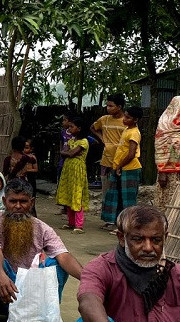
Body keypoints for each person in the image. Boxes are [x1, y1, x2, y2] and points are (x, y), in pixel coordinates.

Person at [0, 179, 83, 322]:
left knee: (57, 264)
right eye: (13, 201)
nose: (18, 206)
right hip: (2, 290)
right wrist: (0, 274)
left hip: (31, 291)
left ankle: (44, 311)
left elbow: (63, 255)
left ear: (31, 202)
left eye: (23, 201)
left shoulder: (42, 228)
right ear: (5, 201)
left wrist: (88, 279)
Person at [100, 106, 143, 230]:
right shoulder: (127, 130)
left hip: (130, 169)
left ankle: (128, 226)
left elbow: (131, 154)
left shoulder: (134, 133)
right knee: (117, 196)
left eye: (128, 117)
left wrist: (119, 165)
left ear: (135, 120)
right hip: (122, 168)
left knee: (128, 200)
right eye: (125, 116)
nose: (124, 119)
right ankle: (118, 223)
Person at [91, 94, 127, 229]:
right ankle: (109, 219)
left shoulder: (126, 121)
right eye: (107, 105)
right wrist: (103, 139)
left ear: (120, 107)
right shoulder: (104, 120)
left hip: (121, 161)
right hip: (106, 160)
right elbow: (93, 128)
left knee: (119, 191)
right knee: (107, 191)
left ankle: (119, 220)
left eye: (111, 106)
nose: (108, 108)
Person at [56, 117, 90, 234]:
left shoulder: (84, 142)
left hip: (77, 171)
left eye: (72, 126)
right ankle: (71, 222)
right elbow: (65, 152)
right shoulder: (71, 141)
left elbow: (70, 153)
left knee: (77, 195)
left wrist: (67, 153)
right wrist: (67, 153)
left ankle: (79, 225)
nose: (69, 128)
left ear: (79, 129)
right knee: (69, 194)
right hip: (68, 170)